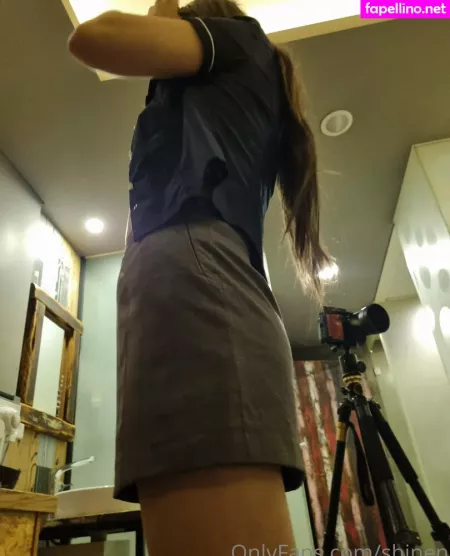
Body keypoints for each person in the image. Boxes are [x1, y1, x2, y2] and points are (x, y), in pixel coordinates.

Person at [68, 1, 330, 554]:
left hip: (194, 286)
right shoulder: (215, 97)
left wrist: (162, 8)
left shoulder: (240, 39)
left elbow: (94, 38)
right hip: (183, 283)